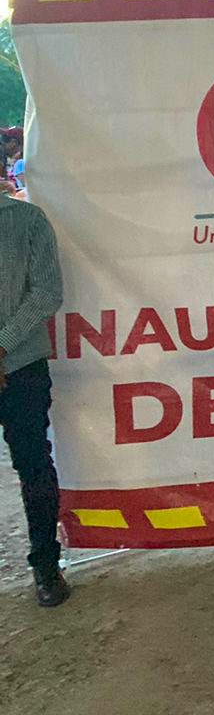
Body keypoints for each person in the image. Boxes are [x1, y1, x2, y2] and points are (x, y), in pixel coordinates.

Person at [0, 194, 68, 606]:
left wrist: (2, 346)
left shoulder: (27, 221)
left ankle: (46, 565)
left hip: (21, 366)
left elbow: (47, 292)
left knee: (33, 465)